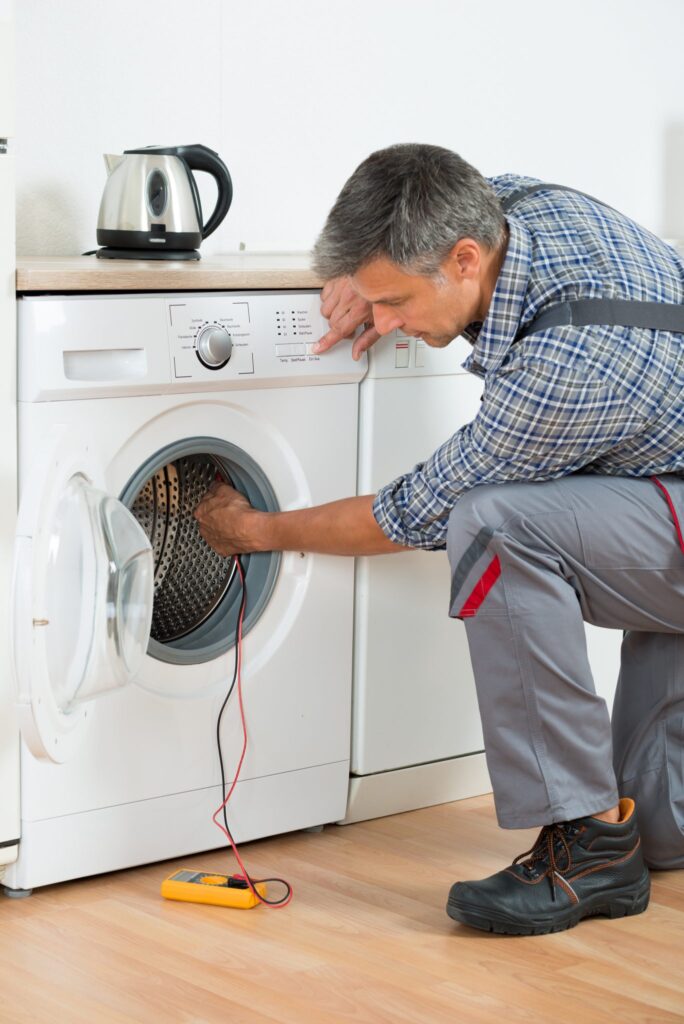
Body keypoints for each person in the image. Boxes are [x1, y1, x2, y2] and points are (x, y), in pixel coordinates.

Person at [194, 143, 684, 936]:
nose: (384, 321)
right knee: (663, 832)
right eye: (372, 300)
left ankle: (589, 845)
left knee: (495, 524)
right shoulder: (517, 207)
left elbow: (412, 513)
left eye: (394, 303)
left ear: (463, 260)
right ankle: (643, 835)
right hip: (670, 465)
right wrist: (368, 281)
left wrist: (257, 528)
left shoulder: (567, 369)